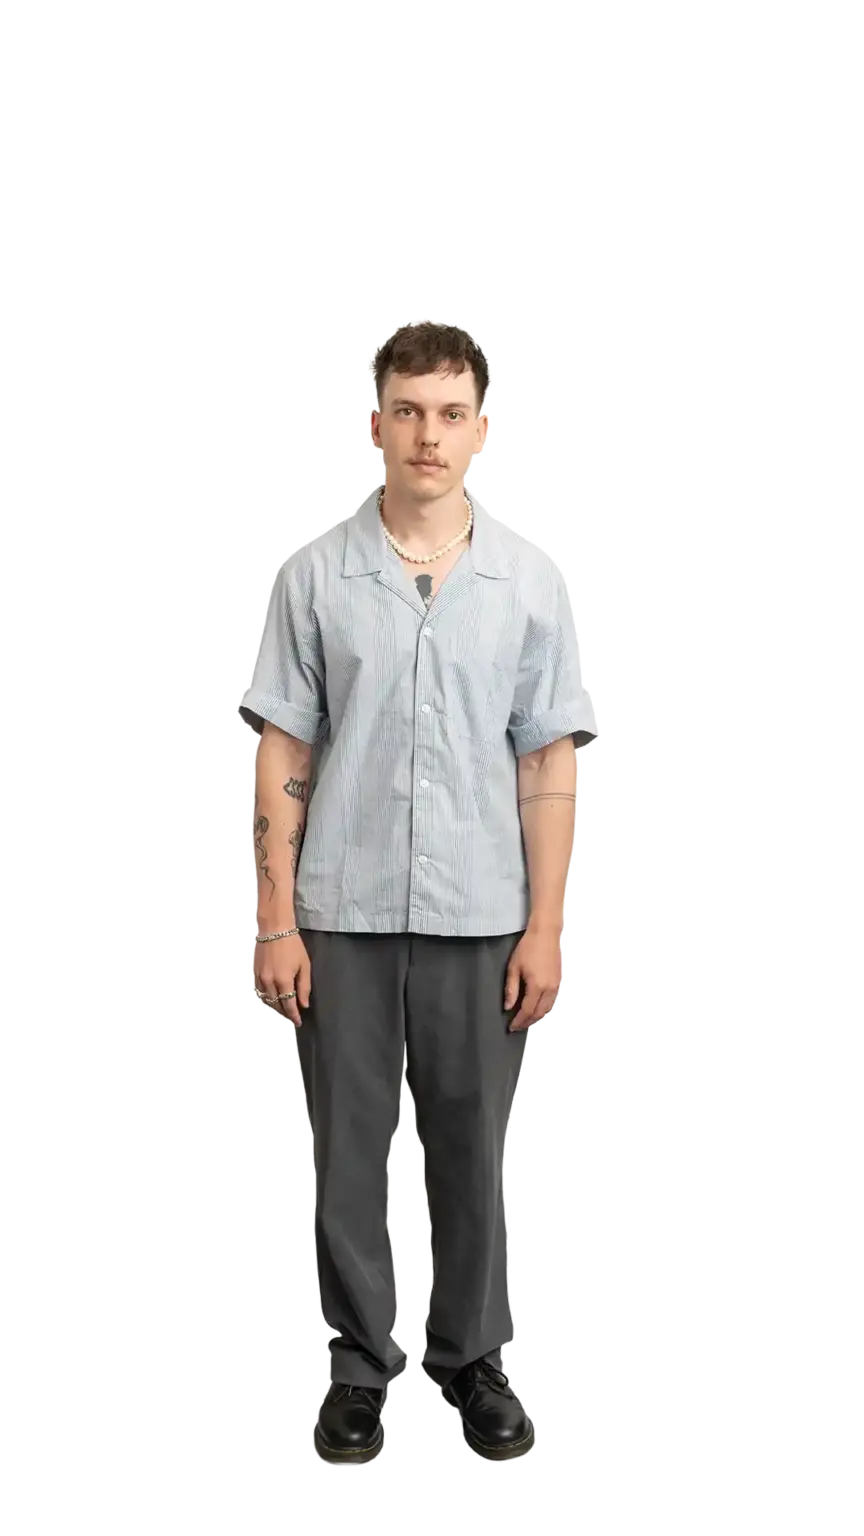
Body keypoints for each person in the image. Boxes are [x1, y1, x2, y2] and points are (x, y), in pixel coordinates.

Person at [240, 320, 598, 1465]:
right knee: (346, 1149)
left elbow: (549, 760)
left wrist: (547, 926)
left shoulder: (529, 578)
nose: (428, 435)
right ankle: (358, 1368)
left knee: (470, 1145)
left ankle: (472, 1358)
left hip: (482, 912)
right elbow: (284, 746)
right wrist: (275, 917)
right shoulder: (311, 573)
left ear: (482, 428)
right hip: (339, 911)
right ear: (375, 425)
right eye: (407, 411)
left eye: (450, 413)